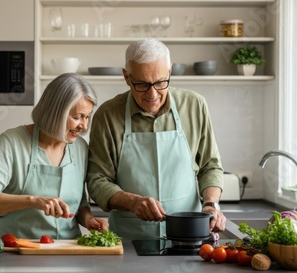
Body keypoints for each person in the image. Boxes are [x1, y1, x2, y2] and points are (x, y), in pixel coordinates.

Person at [86, 38, 226, 240]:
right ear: (127, 77)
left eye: (161, 82)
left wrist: (211, 204)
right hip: (130, 240)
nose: (153, 94)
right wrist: (132, 201)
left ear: (169, 72)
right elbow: (97, 179)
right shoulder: (107, 115)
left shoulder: (195, 105)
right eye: (142, 84)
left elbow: (210, 166)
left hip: (189, 236)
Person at [0, 73, 108, 239]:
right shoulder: (13, 141)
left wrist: (88, 219)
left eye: (87, 117)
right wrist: (33, 201)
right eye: (77, 117)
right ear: (56, 112)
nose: (84, 126)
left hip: (67, 252)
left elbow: (78, 202)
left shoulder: (80, 147)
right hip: (16, 249)